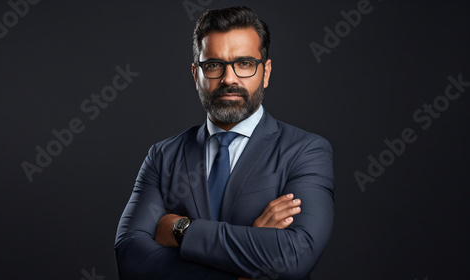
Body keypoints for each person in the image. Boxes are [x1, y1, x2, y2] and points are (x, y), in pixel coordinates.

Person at [115, 6, 334, 280]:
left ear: (265, 72)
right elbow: (130, 257)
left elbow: (295, 256)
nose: (229, 79)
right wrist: (246, 265)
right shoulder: (162, 156)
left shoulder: (305, 151)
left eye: (244, 64)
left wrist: (182, 229)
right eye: (214, 65)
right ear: (196, 75)